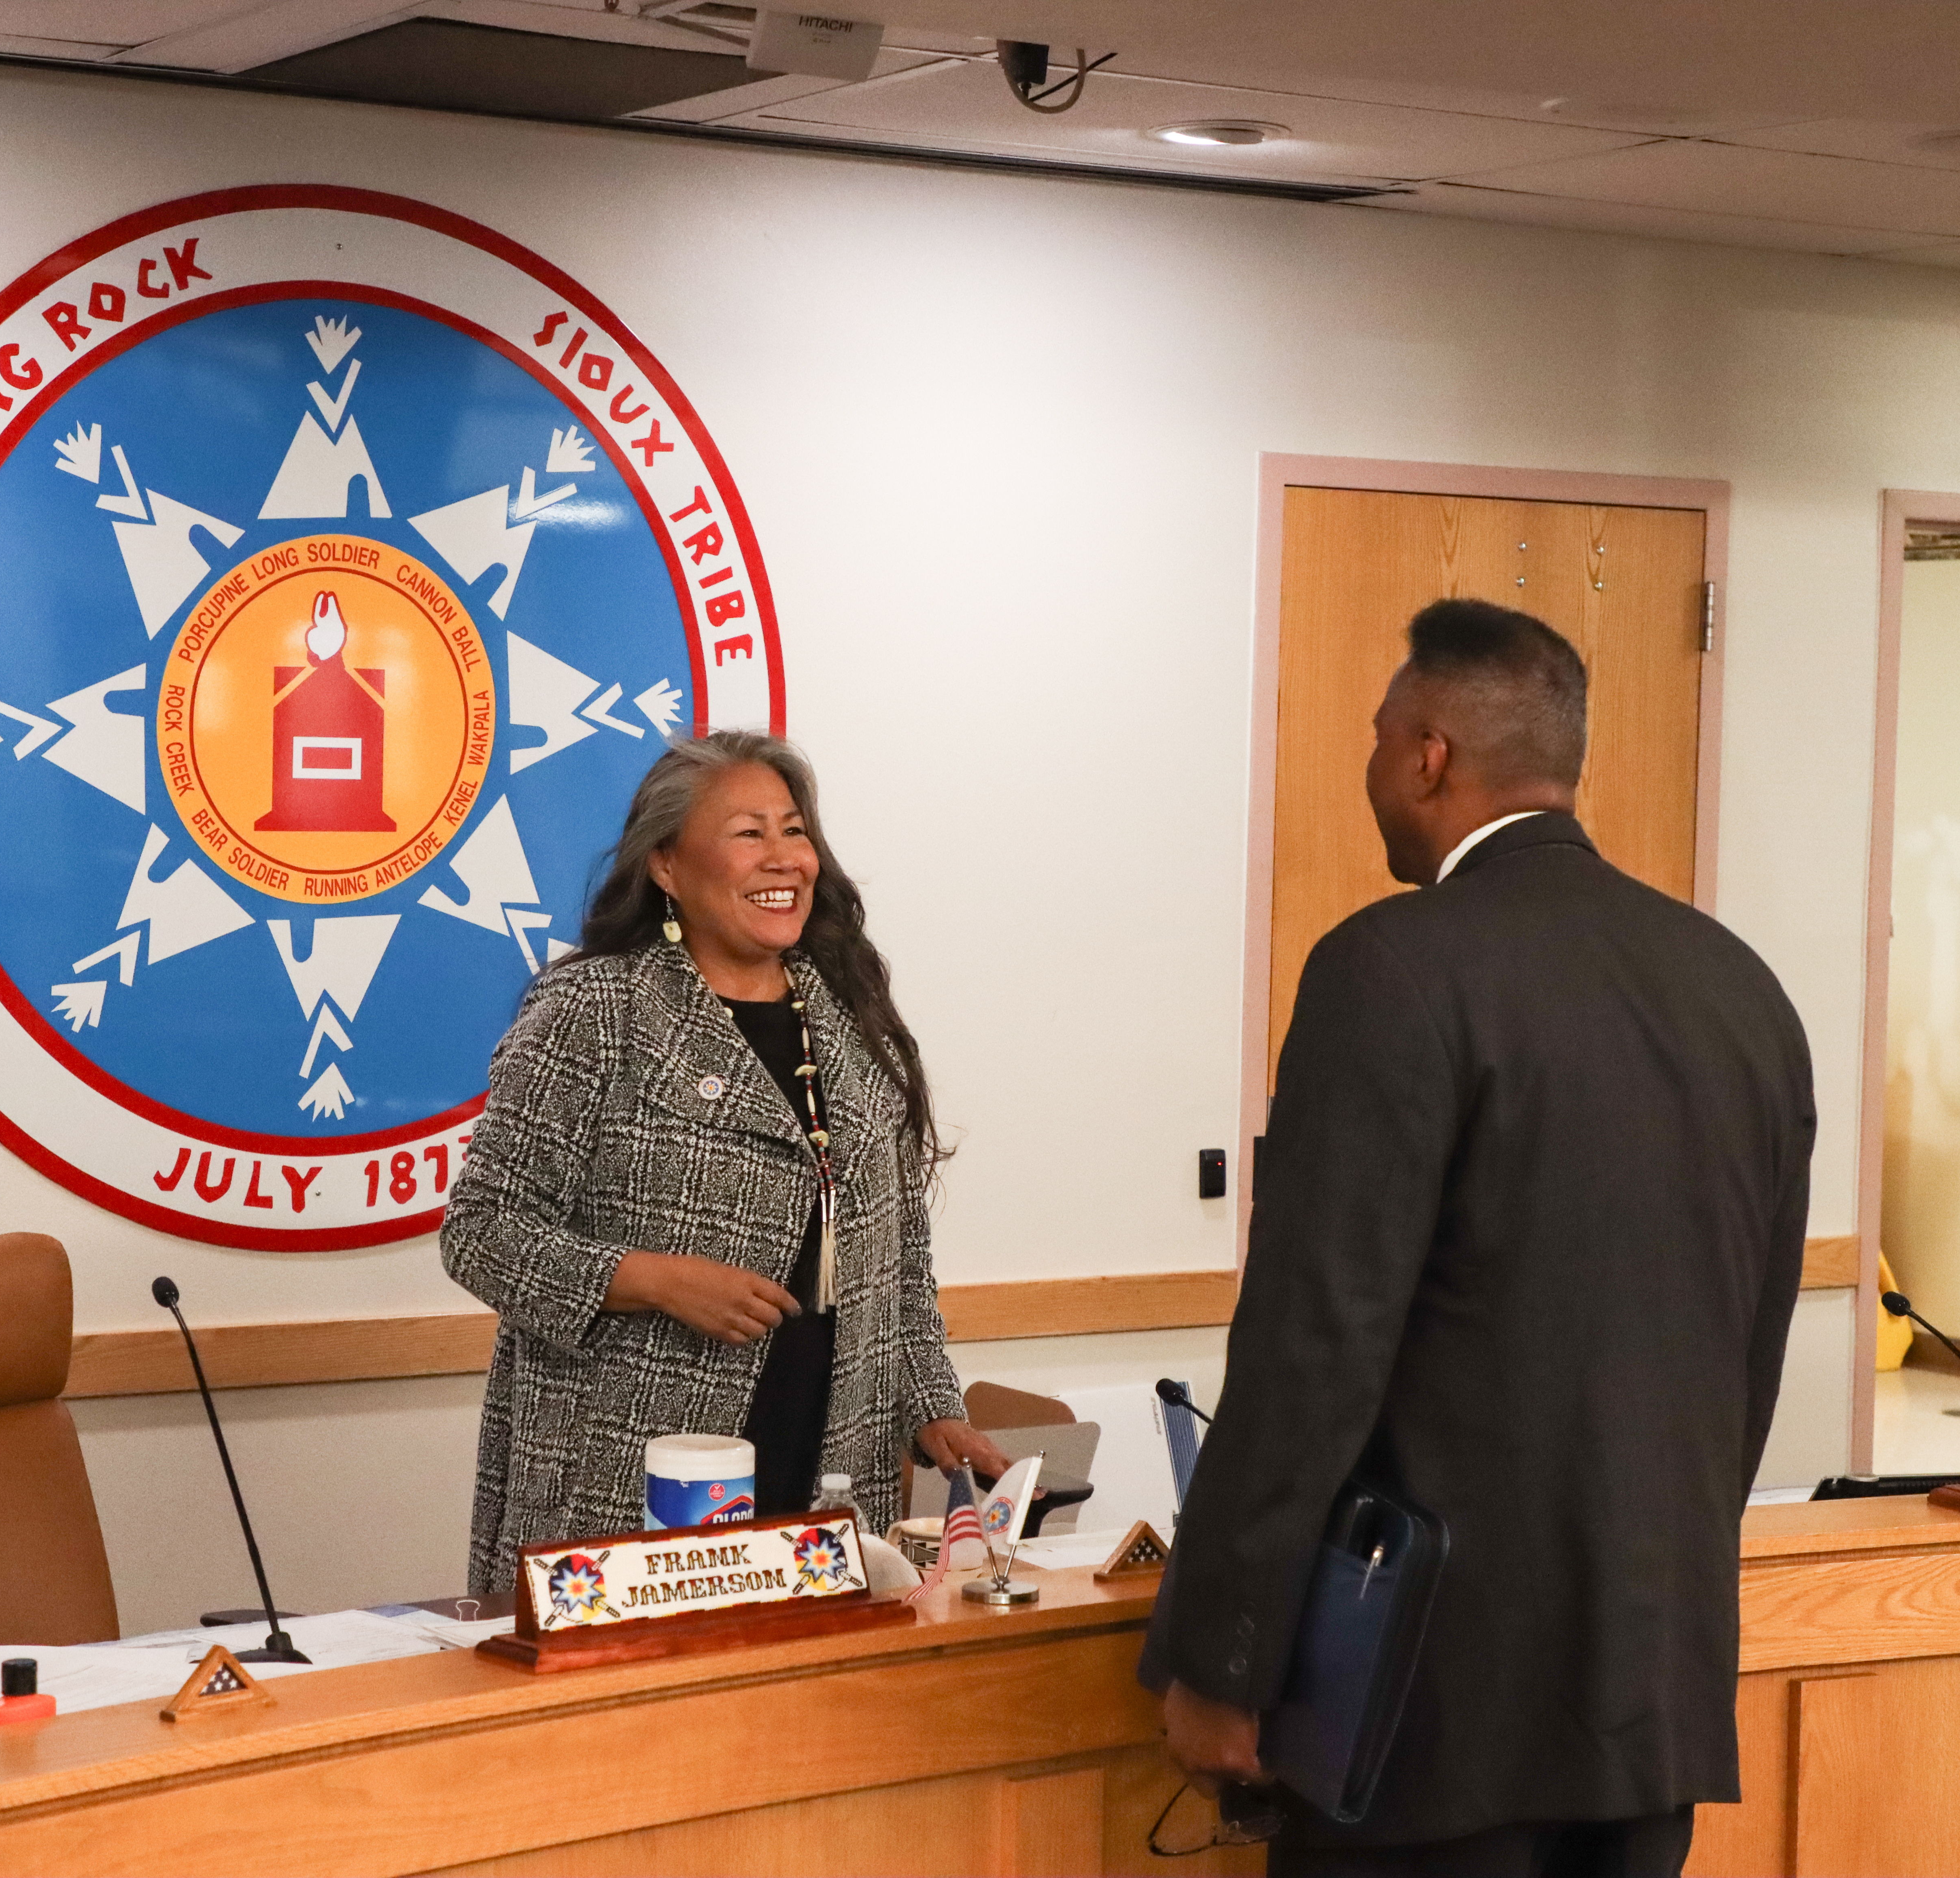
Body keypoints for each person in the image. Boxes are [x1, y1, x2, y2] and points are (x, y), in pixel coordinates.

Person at [1157, 599, 1816, 1876]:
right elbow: (1752, 1347)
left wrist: (1225, 1656)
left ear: (1428, 756)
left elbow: (1314, 1347)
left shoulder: (1388, 970)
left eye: (1378, 737)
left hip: (1426, 1713)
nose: (1372, 766)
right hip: (1649, 1697)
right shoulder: (1740, 988)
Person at [441, 731, 1008, 1595]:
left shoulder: (850, 1017)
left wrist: (933, 1407)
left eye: (794, 831)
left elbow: (899, 1257)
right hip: (628, 1490)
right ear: (667, 865)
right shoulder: (597, 1008)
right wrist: (653, 1280)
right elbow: (482, 1233)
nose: (784, 858)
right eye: (749, 833)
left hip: (826, 1484)